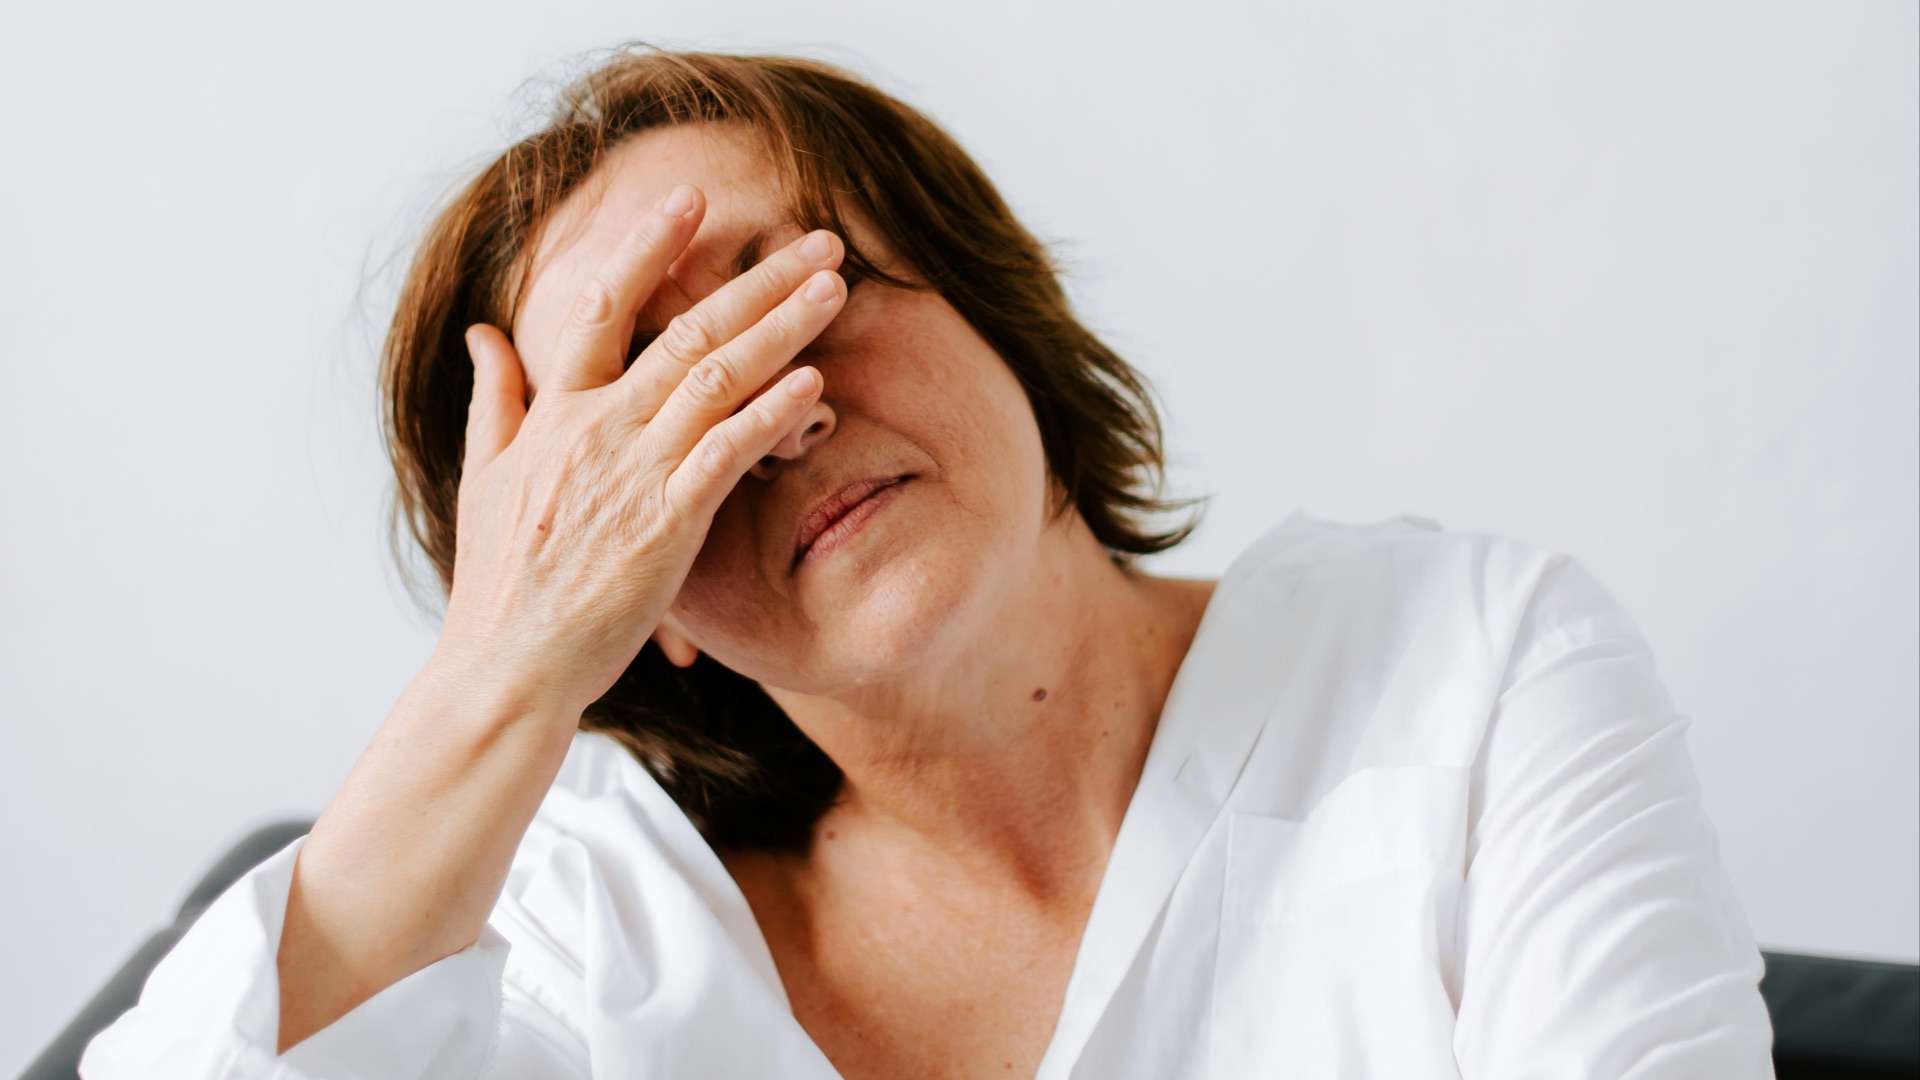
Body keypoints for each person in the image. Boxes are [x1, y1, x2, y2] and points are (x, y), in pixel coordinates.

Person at [81, 47, 1773, 1079]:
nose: (781, 423)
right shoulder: (580, 930)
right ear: (624, 597)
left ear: (992, 304)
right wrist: (500, 669)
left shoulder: (1473, 667)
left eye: (792, 301)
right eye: (659, 421)